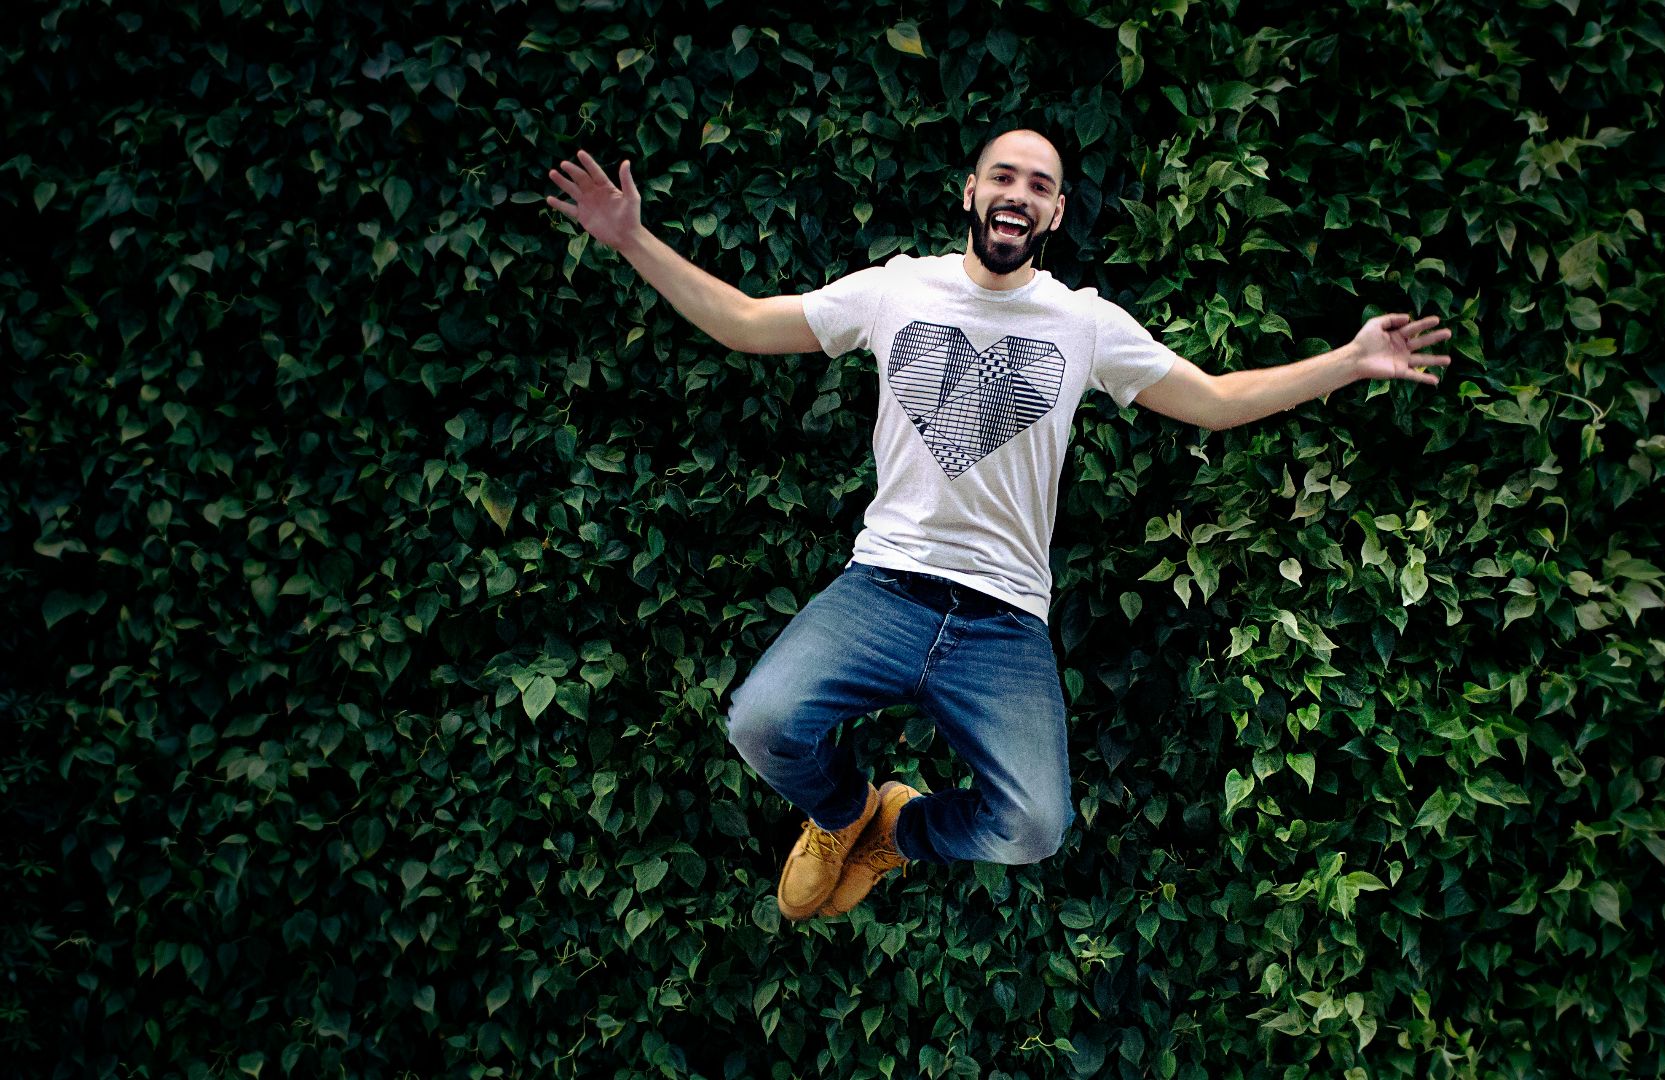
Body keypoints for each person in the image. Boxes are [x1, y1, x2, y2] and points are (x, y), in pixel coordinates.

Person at [544, 128, 1451, 921]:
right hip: (884, 589)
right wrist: (633, 239)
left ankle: (897, 831)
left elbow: (1214, 401)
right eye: (1004, 177)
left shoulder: (1083, 324)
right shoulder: (898, 290)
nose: (1019, 193)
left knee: (1034, 826)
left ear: (1055, 214)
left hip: (1002, 619)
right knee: (760, 722)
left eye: (1040, 185)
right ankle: (841, 810)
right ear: (971, 192)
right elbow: (746, 322)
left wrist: (1348, 360)